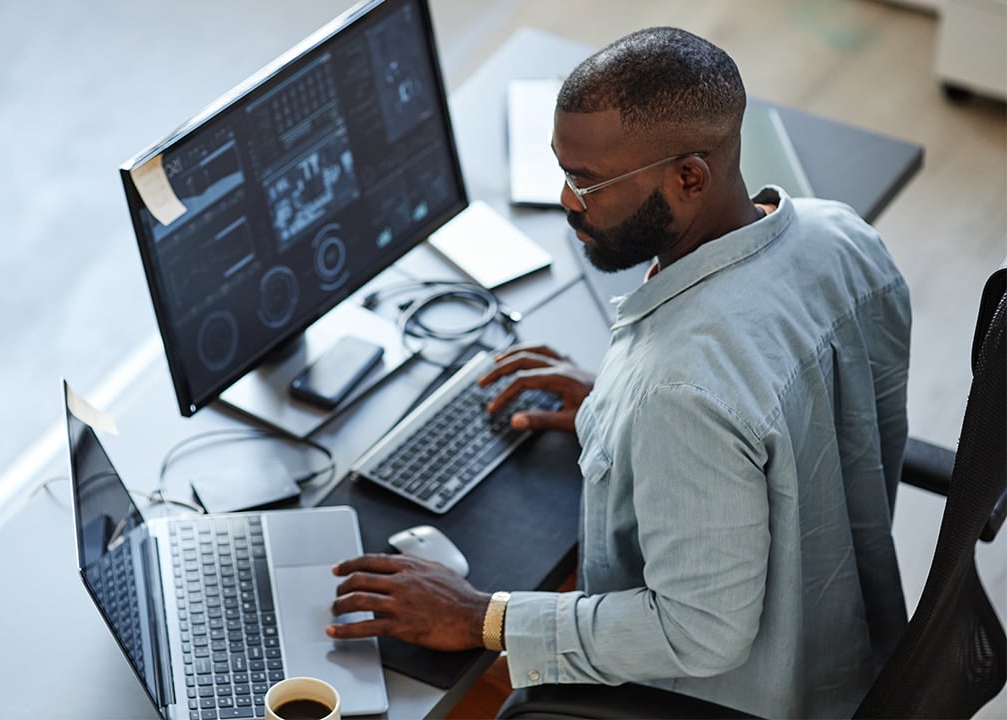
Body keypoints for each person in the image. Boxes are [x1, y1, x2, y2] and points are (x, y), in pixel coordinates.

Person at [326, 26, 911, 719]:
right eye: (563, 169)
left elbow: (699, 633)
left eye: (588, 183)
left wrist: (483, 615)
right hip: (854, 643)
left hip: (744, 697)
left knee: (411, 695)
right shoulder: (842, 235)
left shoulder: (680, 389)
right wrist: (615, 410)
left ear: (688, 177)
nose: (568, 201)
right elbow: (782, 415)